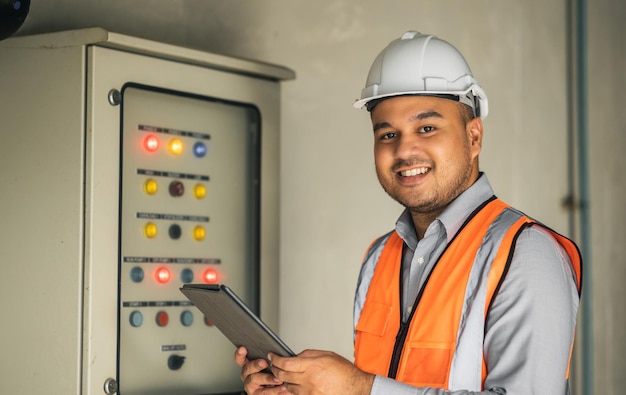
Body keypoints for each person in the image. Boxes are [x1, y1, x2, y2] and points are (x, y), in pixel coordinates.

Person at [235, 31, 582, 395]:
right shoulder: (379, 258)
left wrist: (358, 388)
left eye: (427, 128)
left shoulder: (525, 254)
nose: (404, 150)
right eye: (387, 135)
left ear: (474, 136)